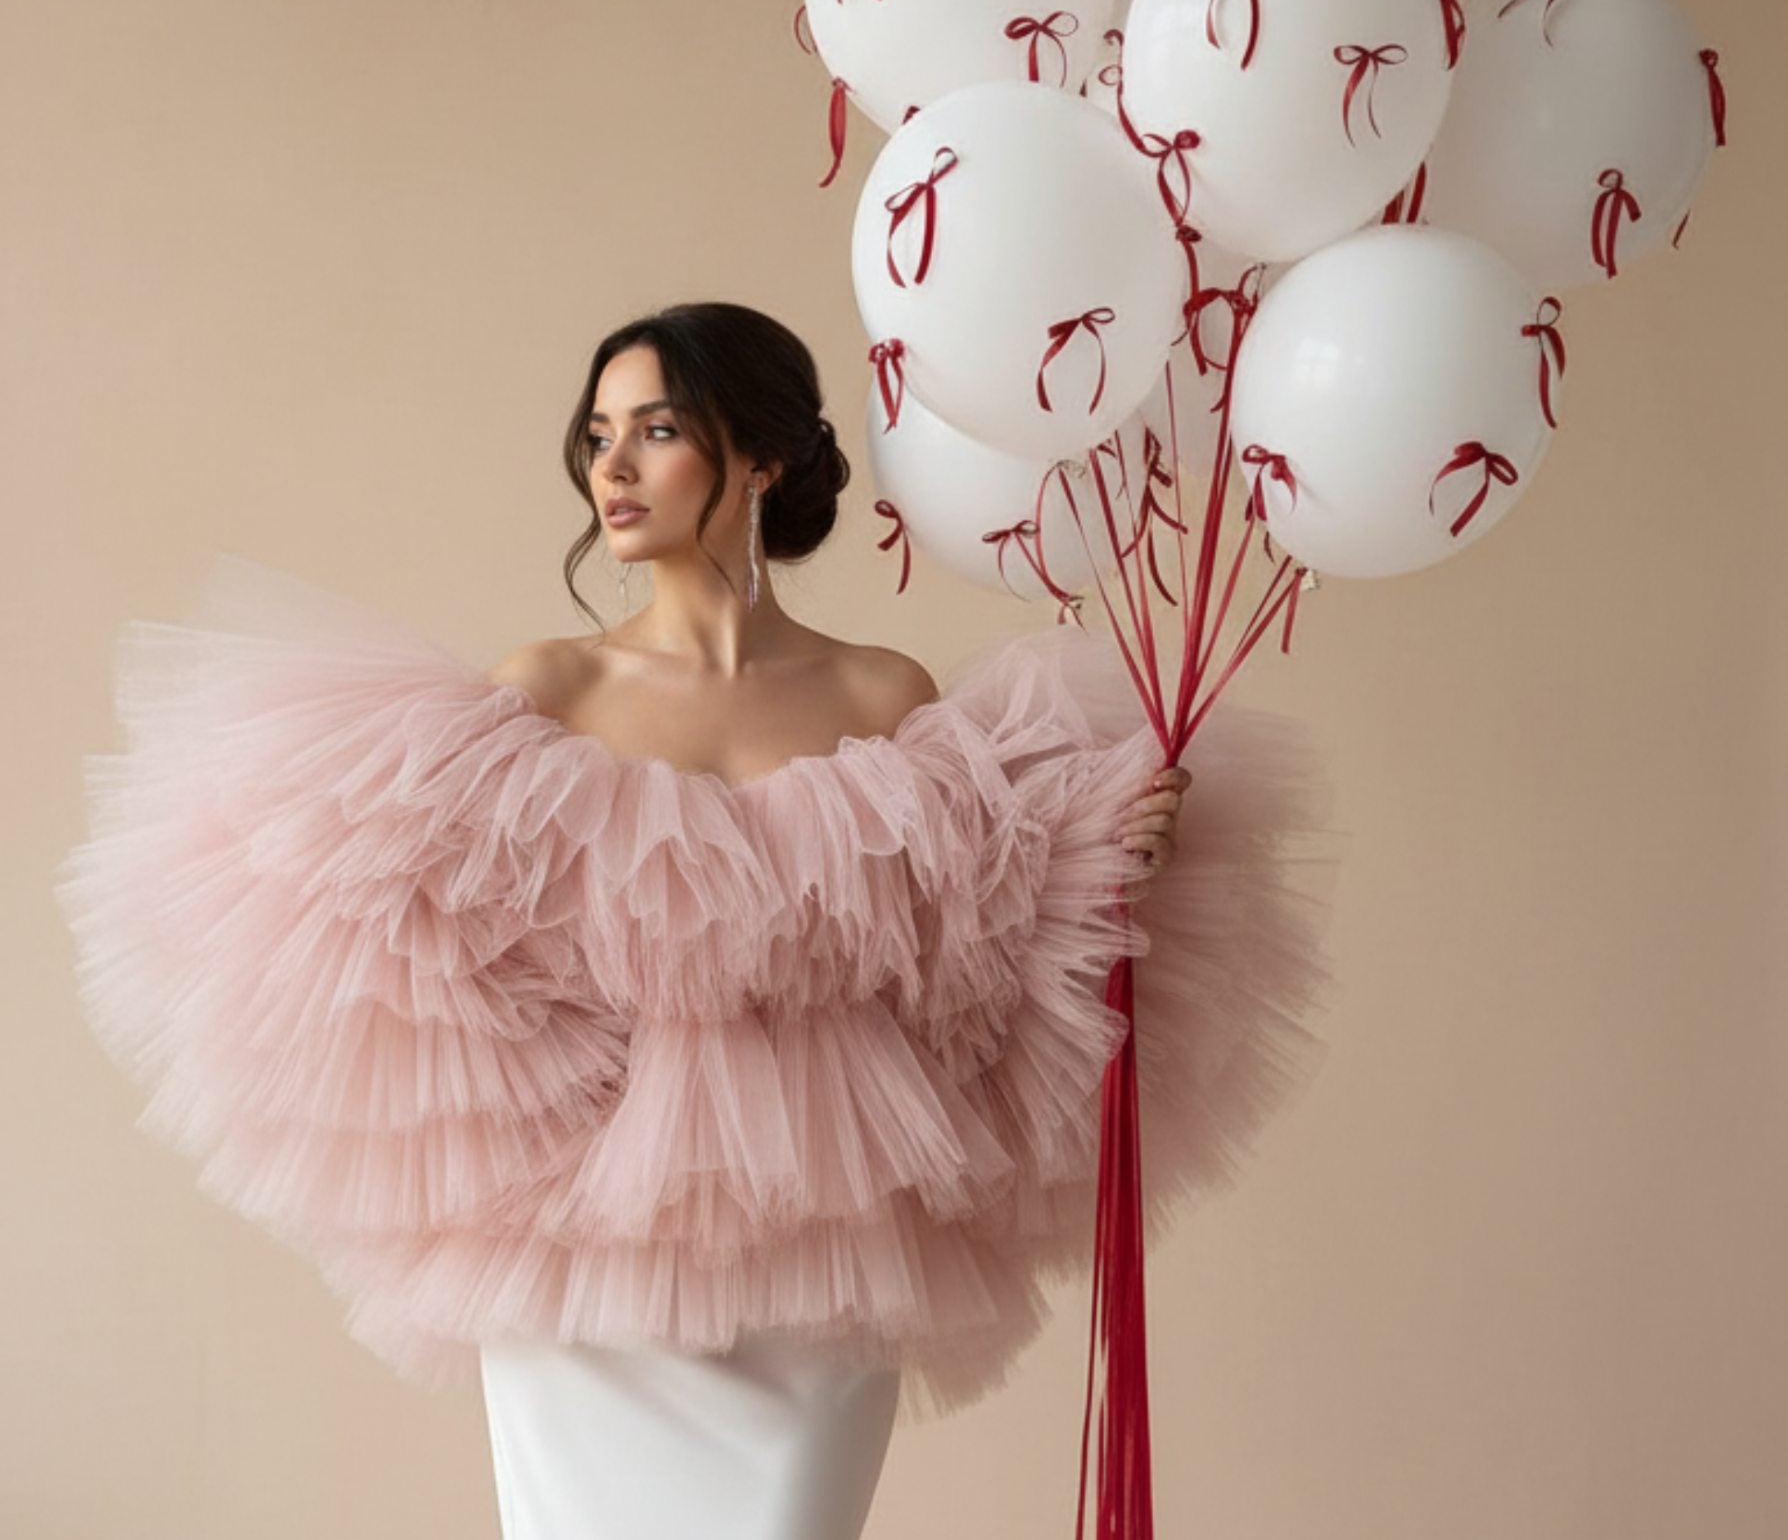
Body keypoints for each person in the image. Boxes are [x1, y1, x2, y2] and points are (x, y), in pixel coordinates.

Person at [55, 301, 1337, 1539]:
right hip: (587, 1276)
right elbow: (410, 944)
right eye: (598, 435)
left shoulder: (882, 695)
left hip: (822, 1268)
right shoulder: (548, 690)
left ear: (762, 460)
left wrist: (1103, 854)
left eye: (657, 431)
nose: (611, 468)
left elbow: (962, 959)